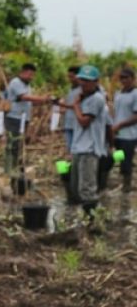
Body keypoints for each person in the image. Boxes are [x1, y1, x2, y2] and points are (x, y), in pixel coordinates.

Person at [3, 62, 51, 192]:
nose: (31, 77)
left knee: (19, 147)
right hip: (14, 118)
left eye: (33, 75)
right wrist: (41, 98)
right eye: (29, 74)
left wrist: (43, 102)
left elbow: (29, 101)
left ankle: (18, 175)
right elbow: (24, 97)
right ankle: (10, 172)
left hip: (23, 119)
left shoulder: (27, 85)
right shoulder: (16, 83)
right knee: (13, 145)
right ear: (22, 72)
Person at [70, 64, 109, 225]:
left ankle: (93, 223)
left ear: (96, 82)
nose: (83, 84)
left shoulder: (97, 99)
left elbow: (84, 121)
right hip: (80, 147)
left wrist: (76, 106)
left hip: (89, 148)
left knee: (87, 189)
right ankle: (89, 220)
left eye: (87, 81)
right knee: (78, 188)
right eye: (82, 80)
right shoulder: (86, 97)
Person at [113, 67, 137, 192]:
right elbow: (115, 112)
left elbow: (135, 116)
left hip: (130, 135)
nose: (123, 80)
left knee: (126, 160)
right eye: (121, 78)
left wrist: (120, 125)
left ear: (133, 79)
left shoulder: (135, 94)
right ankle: (122, 180)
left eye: (126, 77)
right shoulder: (118, 94)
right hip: (117, 134)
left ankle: (127, 186)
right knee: (119, 157)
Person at [59, 66, 82, 154]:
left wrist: (63, 104)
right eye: (69, 77)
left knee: (76, 149)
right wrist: (63, 109)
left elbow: (77, 106)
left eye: (72, 77)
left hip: (77, 124)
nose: (70, 79)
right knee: (70, 148)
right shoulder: (71, 89)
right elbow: (70, 106)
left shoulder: (82, 90)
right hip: (68, 124)